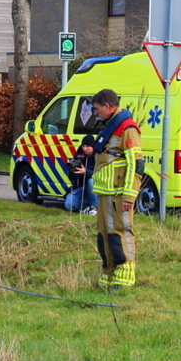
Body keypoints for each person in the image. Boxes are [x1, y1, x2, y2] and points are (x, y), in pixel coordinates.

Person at [90, 89, 143, 291]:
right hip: (106, 193)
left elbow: (136, 164)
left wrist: (129, 195)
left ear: (108, 106)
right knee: (104, 235)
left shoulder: (127, 128)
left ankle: (125, 276)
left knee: (120, 233)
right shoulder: (110, 126)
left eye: (97, 109)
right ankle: (109, 274)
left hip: (119, 194)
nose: (95, 113)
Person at [64, 135, 98, 214]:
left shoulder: (99, 156)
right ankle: (86, 208)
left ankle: (95, 208)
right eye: (83, 146)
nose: (84, 149)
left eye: (87, 146)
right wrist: (72, 171)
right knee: (69, 205)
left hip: (97, 188)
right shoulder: (79, 155)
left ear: (93, 147)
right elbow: (72, 178)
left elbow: (101, 174)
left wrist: (86, 171)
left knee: (91, 181)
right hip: (82, 187)